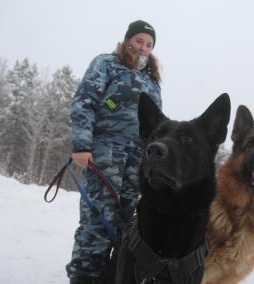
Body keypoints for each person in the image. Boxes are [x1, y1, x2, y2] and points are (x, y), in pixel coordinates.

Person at [66, 20, 162, 284]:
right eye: (139, 40)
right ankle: (84, 277)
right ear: (128, 39)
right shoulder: (106, 64)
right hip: (105, 152)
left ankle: (112, 275)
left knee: (127, 223)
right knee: (98, 219)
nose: (143, 47)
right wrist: (82, 145)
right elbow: (85, 101)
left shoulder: (152, 80)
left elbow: (155, 123)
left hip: (137, 160)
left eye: (149, 44)